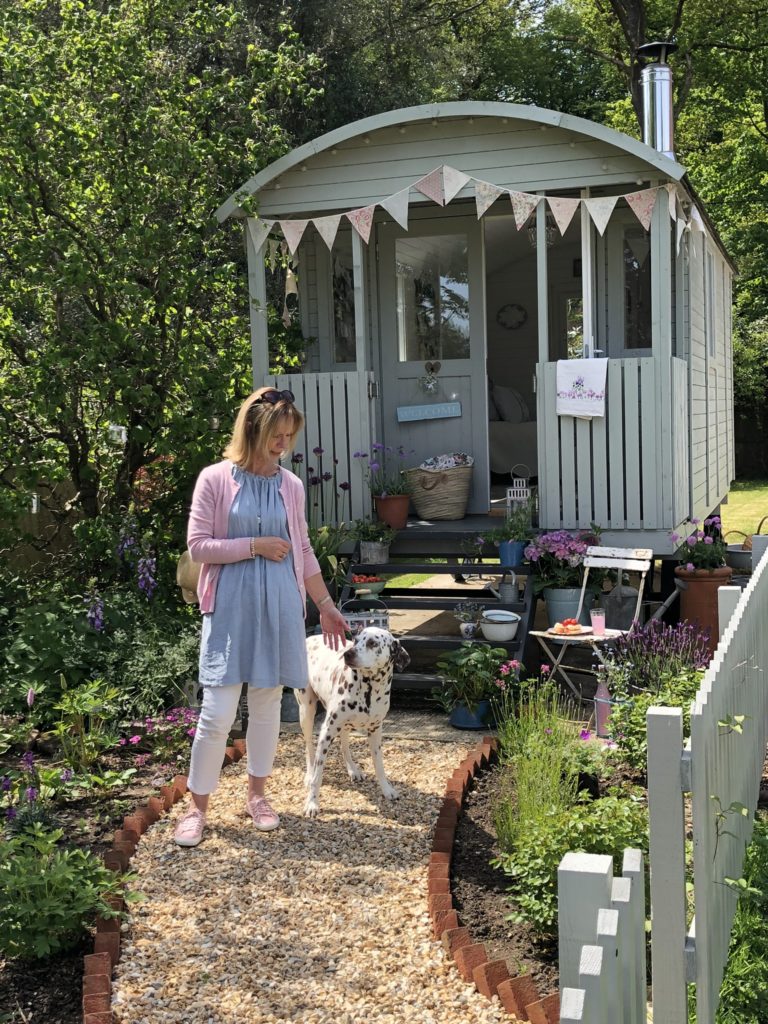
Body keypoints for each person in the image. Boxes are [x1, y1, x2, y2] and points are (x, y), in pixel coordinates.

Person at [174, 386, 348, 847]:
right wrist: (254, 546)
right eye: (276, 435)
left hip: (280, 610)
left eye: (289, 436)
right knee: (217, 712)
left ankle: (258, 796)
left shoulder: (289, 486)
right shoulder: (215, 479)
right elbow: (199, 546)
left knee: (269, 706)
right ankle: (197, 809)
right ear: (253, 430)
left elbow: (304, 550)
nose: (283, 444)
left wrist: (326, 607)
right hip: (230, 611)